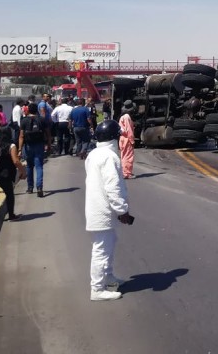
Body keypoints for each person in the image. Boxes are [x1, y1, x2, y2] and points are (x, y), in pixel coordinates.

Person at [85, 120, 133, 302]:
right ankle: (97, 289)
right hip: (103, 211)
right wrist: (122, 210)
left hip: (98, 208)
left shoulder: (94, 154)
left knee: (109, 243)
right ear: (113, 138)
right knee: (102, 250)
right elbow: (113, 187)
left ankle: (109, 277)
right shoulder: (110, 157)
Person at [19, 102, 49, 197]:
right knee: (39, 166)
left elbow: (21, 136)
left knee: (29, 166)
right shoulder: (42, 120)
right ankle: (39, 187)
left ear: (28, 110)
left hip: (28, 146)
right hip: (39, 145)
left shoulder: (24, 121)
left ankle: (30, 187)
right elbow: (48, 133)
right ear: (37, 110)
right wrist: (48, 144)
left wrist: (19, 149)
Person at [118, 101, 136, 179]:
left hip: (122, 138)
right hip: (126, 138)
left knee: (123, 155)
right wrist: (132, 140)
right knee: (128, 156)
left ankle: (124, 171)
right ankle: (127, 173)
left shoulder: (122, 117)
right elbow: (129, 130)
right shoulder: (127, 117)